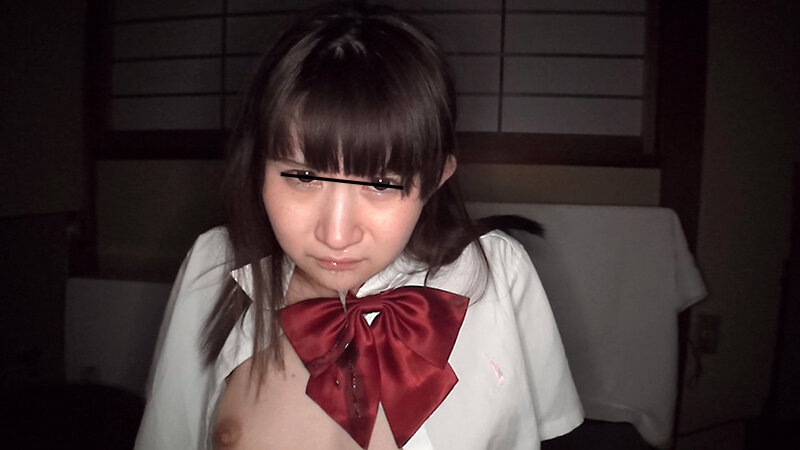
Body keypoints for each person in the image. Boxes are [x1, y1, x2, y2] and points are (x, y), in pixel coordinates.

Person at [134, 3, 583, 449]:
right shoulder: (214, 265)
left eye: (381, 184)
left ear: (436, 178)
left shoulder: (497, 271)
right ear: (259, 168)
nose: (336, 235)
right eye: (303, 177)